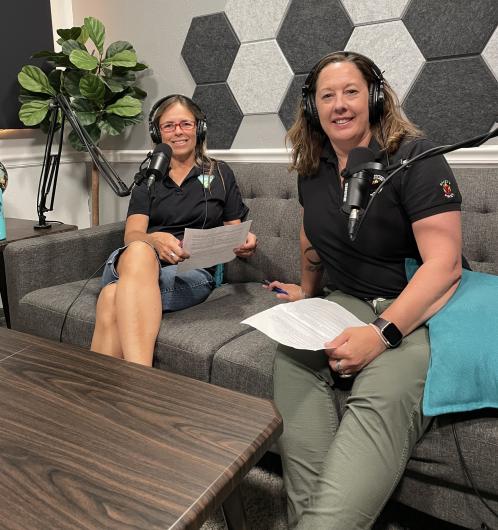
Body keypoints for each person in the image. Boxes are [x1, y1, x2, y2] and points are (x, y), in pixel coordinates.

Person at [266, 51, 463, 529]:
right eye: (326, 95)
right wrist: (309, 295)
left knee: (381, 395)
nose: (339, 105)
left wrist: (380, 335)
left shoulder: (416, 157)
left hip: (416, 307)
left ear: (374, 97)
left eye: (351, 92)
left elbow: (445, 266)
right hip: (345, 299)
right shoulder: (312, 168)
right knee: (290, 360)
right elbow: (312, 235)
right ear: (312, 107)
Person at [91, 94, 256, 366]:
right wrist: (153, 240)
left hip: (190, 272)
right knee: (140, 250)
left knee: (112, 295)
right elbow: (132, 235)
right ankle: (142, 381)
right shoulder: (149, 177)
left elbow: (234, 231)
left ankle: (103, 395)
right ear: (158, 133)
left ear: (199, 129)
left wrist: (245, 242)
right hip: (135, 264)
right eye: (168, 126)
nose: (177, 131)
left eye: (185, 124)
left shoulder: (220, 173)